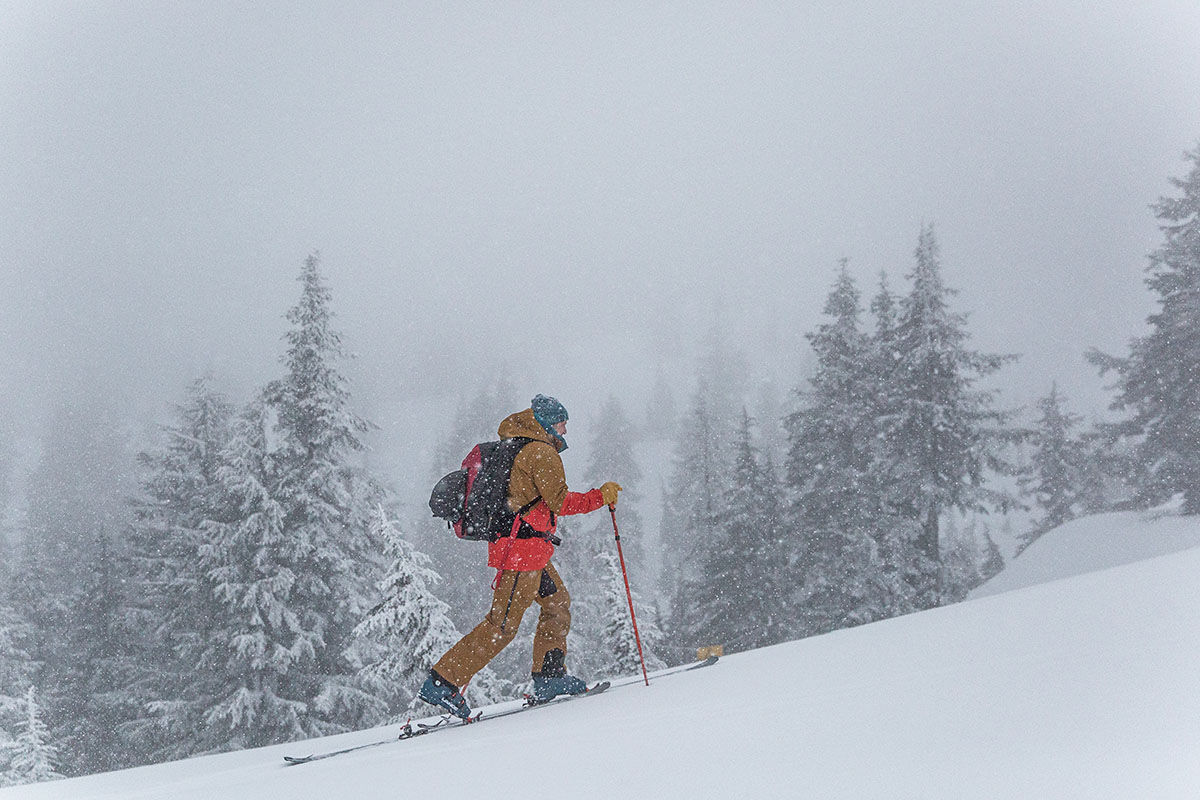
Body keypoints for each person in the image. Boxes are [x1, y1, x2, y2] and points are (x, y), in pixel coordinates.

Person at [419, 394, 622, 717]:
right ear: (546, 423)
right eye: (561, 424)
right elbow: (560, 502)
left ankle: (550, 676)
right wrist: (601, 496)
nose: (565, 430)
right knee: (502, 626)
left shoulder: (518, 445)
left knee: (556, 603)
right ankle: (442, 682)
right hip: (521, 554)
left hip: (528, 550)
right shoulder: (540, 452)